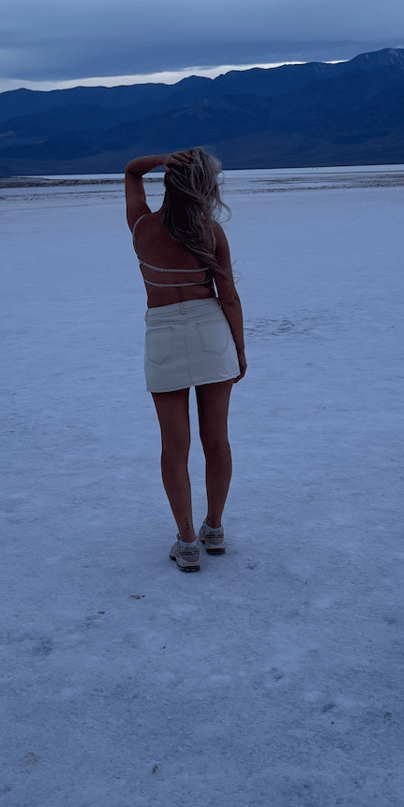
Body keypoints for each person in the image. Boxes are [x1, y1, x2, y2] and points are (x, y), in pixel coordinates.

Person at [125, 148, 247, 572]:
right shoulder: (210, 232)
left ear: (168, 182)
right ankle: (214, 528)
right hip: (211, 331)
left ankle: (188, 541)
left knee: (174, 447)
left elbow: (131, 172)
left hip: (163, 335)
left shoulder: (142, 226)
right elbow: (228, 297)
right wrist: (239, 349)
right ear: (203, 188)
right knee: (217, 440)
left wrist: (163, 158)